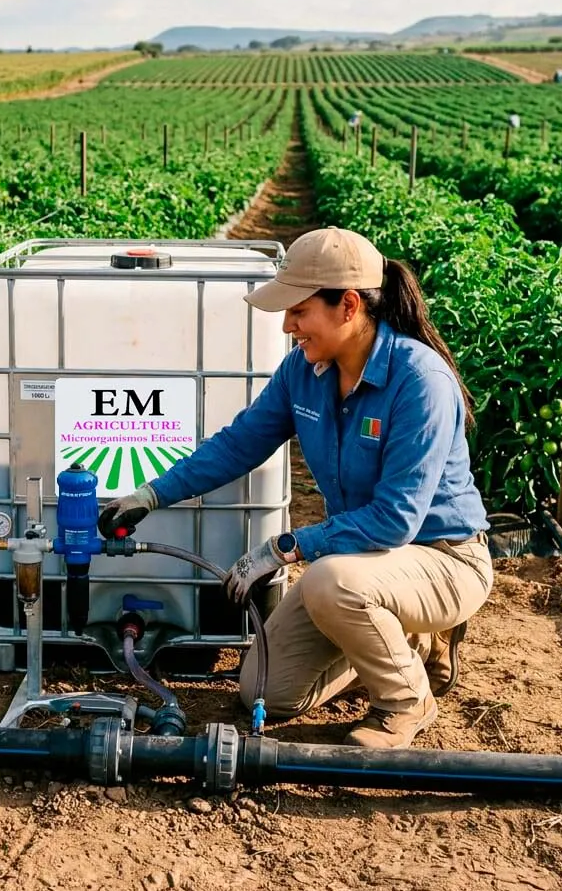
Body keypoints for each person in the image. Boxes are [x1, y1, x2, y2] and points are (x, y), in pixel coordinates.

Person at [98, 228, 492, 749]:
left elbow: (396, 521)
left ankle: (405, 701)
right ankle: (408, 642)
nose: (288, 326)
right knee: (265, 690)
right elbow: (239, 445)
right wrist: (149, 494)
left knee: (332, 582)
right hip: (364, 562)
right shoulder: (304, 372)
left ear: (348, 305)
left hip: (442, 558)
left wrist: (286, 547)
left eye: (298, 311)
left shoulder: (420, 381)